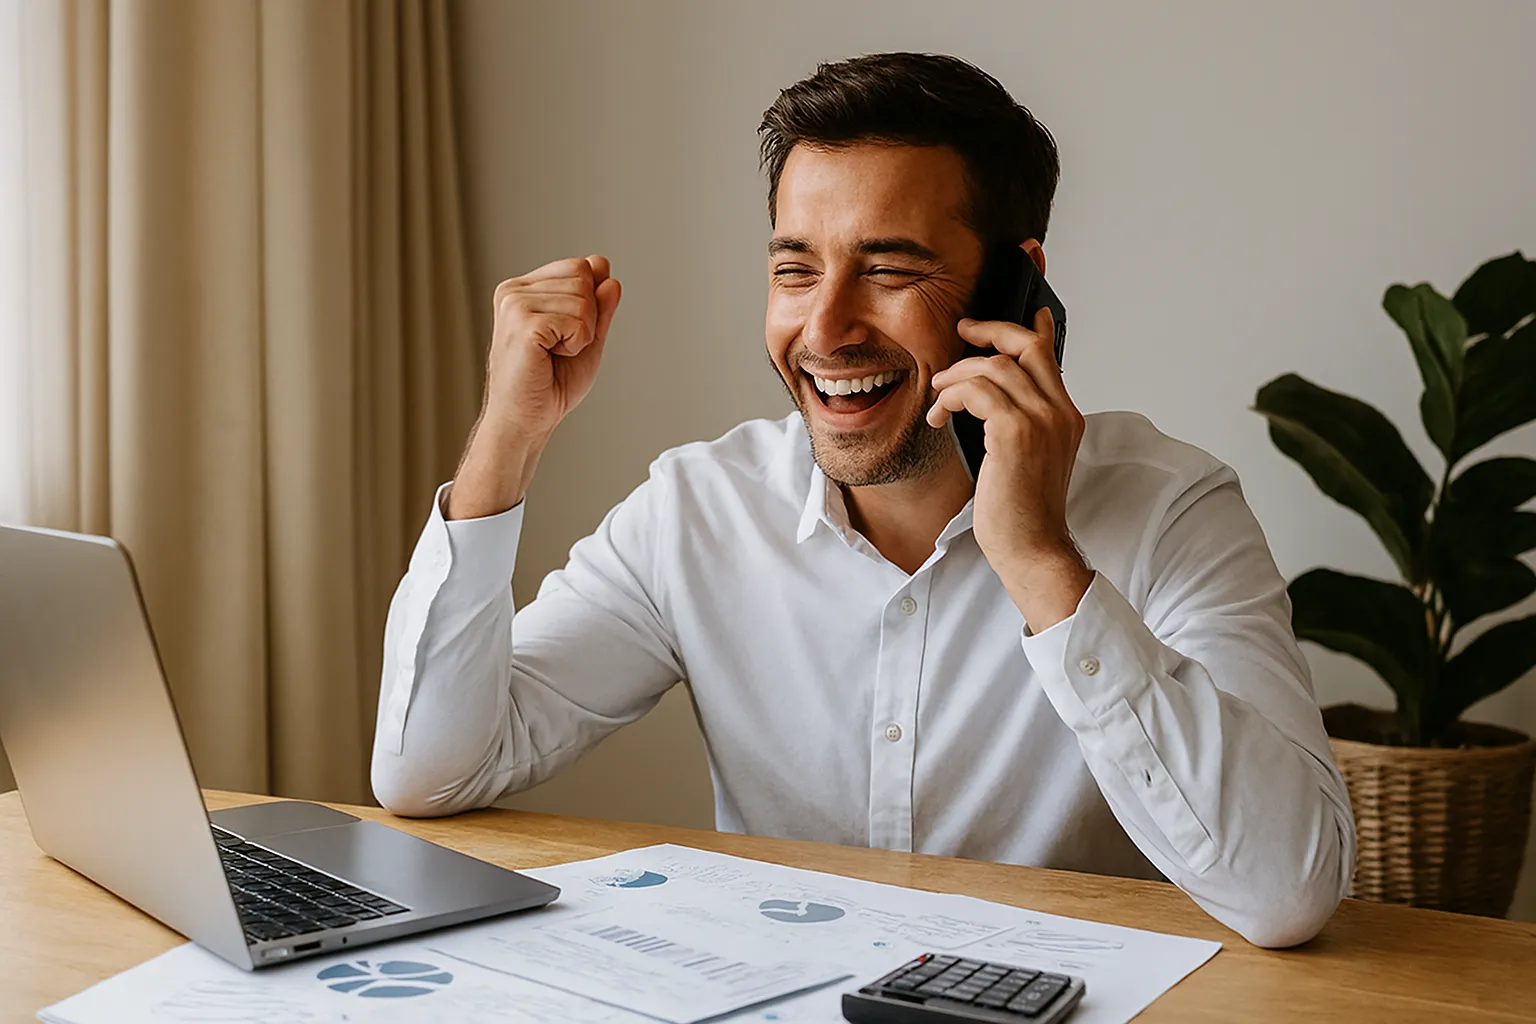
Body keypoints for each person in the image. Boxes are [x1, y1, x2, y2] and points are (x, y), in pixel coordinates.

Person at [370, 52, 1354, 948]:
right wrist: (509, 434)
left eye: (888, 269)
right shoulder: (698, 511)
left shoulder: (1172, 513)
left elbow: (1289, 892)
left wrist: (1042, 564)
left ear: (1017, 290)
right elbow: (429, 775)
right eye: (796, 268)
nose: (826, 328)